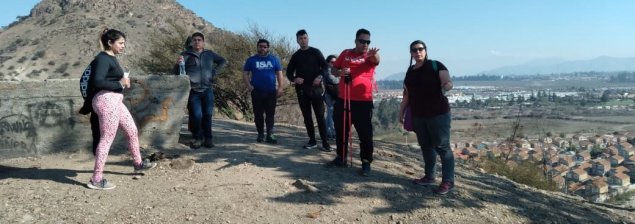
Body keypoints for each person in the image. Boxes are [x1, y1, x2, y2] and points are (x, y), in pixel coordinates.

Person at [87, 28, 156, 190]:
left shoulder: (111, 58)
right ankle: (96, 179)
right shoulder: (103, 58)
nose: (123, 46)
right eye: (120, 43)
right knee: (107, 139)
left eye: (124, 43)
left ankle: (138, 163)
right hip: (106, 100)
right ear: (110, 43)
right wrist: (120, 84)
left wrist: (122, 81)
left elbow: (109, 79)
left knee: (131, 131)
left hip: (115, 100)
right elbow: (97, 81)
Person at [398, 40, 455, 195]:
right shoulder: (410, 70)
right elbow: (407, 95)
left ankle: (448, 181)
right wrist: (401, 112)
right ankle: (429, 177)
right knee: (426, 147)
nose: (418, 52)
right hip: (418, 115)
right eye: (414, 50)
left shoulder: (436, 65)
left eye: (420, 49)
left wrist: (447, 85)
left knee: (443, 147)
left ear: (425, 50)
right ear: (411, 53)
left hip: (438, 114)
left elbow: (447, 82)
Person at [327, 28, 380, 177]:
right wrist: (339, 72)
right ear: (355, 41)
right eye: (362, 41)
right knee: (341, 130)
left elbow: (376, 60)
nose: (365, 44)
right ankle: (341, 157)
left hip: (363, 101)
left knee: (365, 134)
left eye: (368, 42)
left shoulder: (369, 55)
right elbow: (334, 70)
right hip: (344, 98)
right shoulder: (345, 53)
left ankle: (366, 162)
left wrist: (374, 55)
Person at [175, 32, 227, 149]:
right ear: (191, 42)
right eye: (195, 40)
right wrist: (178, 64)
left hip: (207, 89)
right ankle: (198, 138)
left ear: (203, 42)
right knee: (196, 116)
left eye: (199, 40)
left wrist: (214, 72)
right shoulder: (185, 55)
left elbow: (223, 61)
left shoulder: (209, 54)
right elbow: (177, 72)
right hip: (193, 91)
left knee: (207, 116)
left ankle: (208, 139)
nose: (197, 42)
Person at [286, 29, 331, 152]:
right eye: (300, 38)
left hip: (316, 89)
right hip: (302, 90)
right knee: (307, 117)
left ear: (308, 38)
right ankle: (312, 140)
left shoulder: (315, 52)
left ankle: (325, 143)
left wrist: (320, 76)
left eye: (305, 38)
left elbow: (326, 67)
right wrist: (295, 78)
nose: (303, 40)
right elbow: (288, 72)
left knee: (320, 116)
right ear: (297, 40)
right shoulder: (295, 56)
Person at [243, 39, 285, 144]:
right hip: (256, 91)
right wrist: (249, 86)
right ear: (257, 47)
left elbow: (279, 74)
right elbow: (245, 73)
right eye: (260, 46)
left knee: (270, 114)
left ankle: (270, 134)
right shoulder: (251, 60)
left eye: (265, 47)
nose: (262, 48)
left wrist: (280, 87)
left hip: (271, 91)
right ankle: (260, 134)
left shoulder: (274, 59)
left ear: (268, 48)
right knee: (258, 114)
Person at [323, 55, 339, 140]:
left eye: (335, 62)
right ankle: (332, 133)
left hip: (332, 94)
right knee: (332, 114)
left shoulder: (333, 70)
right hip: (330, 95)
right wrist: (341, 75)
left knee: (330, 114)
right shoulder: (327, 70)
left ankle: (327, 132)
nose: (334, 64)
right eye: (332, 62)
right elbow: (334, 80)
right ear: (328, 62)